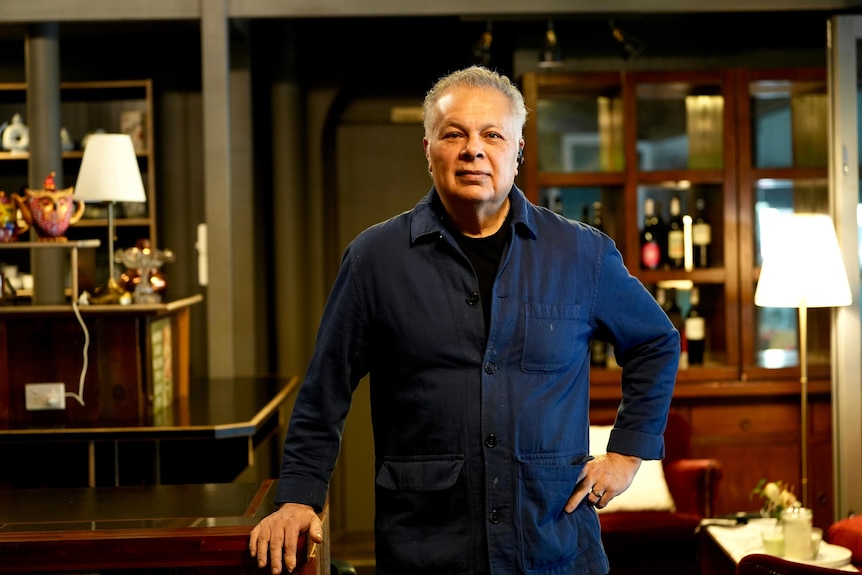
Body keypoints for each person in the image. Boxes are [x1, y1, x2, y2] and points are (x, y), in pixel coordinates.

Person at [249, 65, 679, 575]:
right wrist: (298, 495)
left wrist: (627, 456)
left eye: (492, 135)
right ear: (428, 150)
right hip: (426, 547)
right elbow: (326, 389)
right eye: (454, 134)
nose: (473, 149)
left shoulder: (582, 254)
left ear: (518, 151)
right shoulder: (375, 259)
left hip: (553, 544)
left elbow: (655, 343)